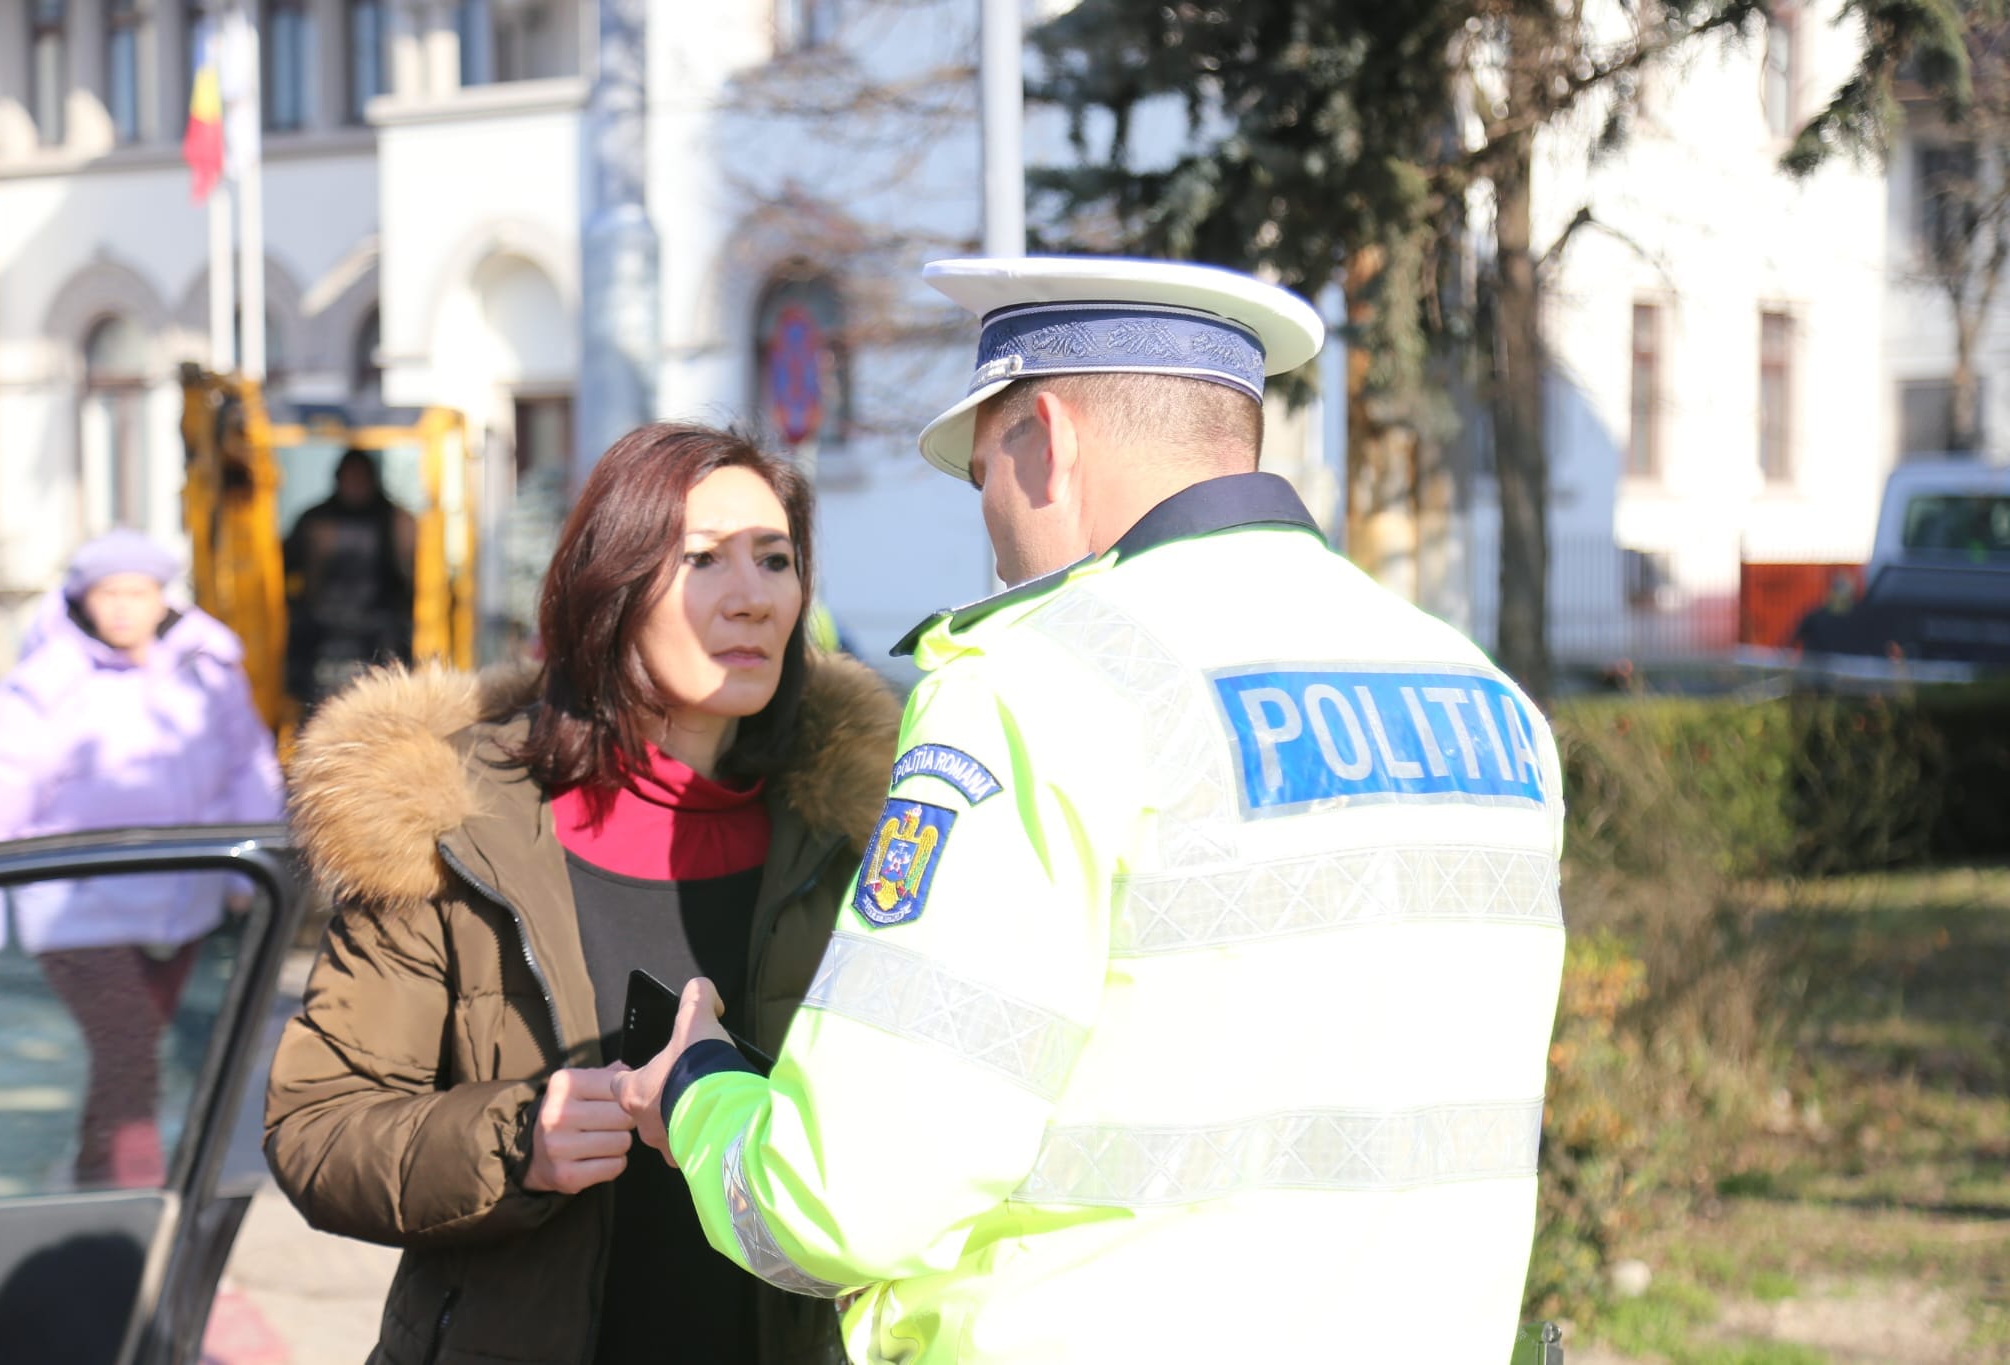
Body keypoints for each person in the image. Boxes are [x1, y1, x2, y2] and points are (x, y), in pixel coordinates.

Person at [617, 259, 1570, 1362]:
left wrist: (699, 1091)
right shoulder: (1482, 698)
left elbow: (841, 1199)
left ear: (1048, 439)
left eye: (983, 475)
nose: (990, 528)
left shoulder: (1038, 687)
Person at [262, 424, 900, 1365]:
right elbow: (317, 1127)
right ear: (610, 588)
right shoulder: (448, 824)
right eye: (703, 559)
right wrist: (521, 1139)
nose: (754, 597)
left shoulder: (869, 841)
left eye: (775, 559)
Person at [0, 528, 285, 1187]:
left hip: (183, 906)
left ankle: (93, 1191)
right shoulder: (43, 685)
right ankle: (141, 1208)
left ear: (161, 597)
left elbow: (247, 769)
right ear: (83, 599)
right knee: (132, 1052)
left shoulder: (206, 671)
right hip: (80, 911)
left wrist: (249, 869)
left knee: (127, 1062)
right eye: (108, 592)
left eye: (137, 592)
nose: (122, 607)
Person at [283, 447, 418, 708]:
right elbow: (286, 568)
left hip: (379, 628)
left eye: (361, 477)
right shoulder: (314, 521)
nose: (355, 484)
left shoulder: (397, 521)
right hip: (321, 630)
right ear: (338, 479)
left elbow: (414, 580)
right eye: (350, 477)